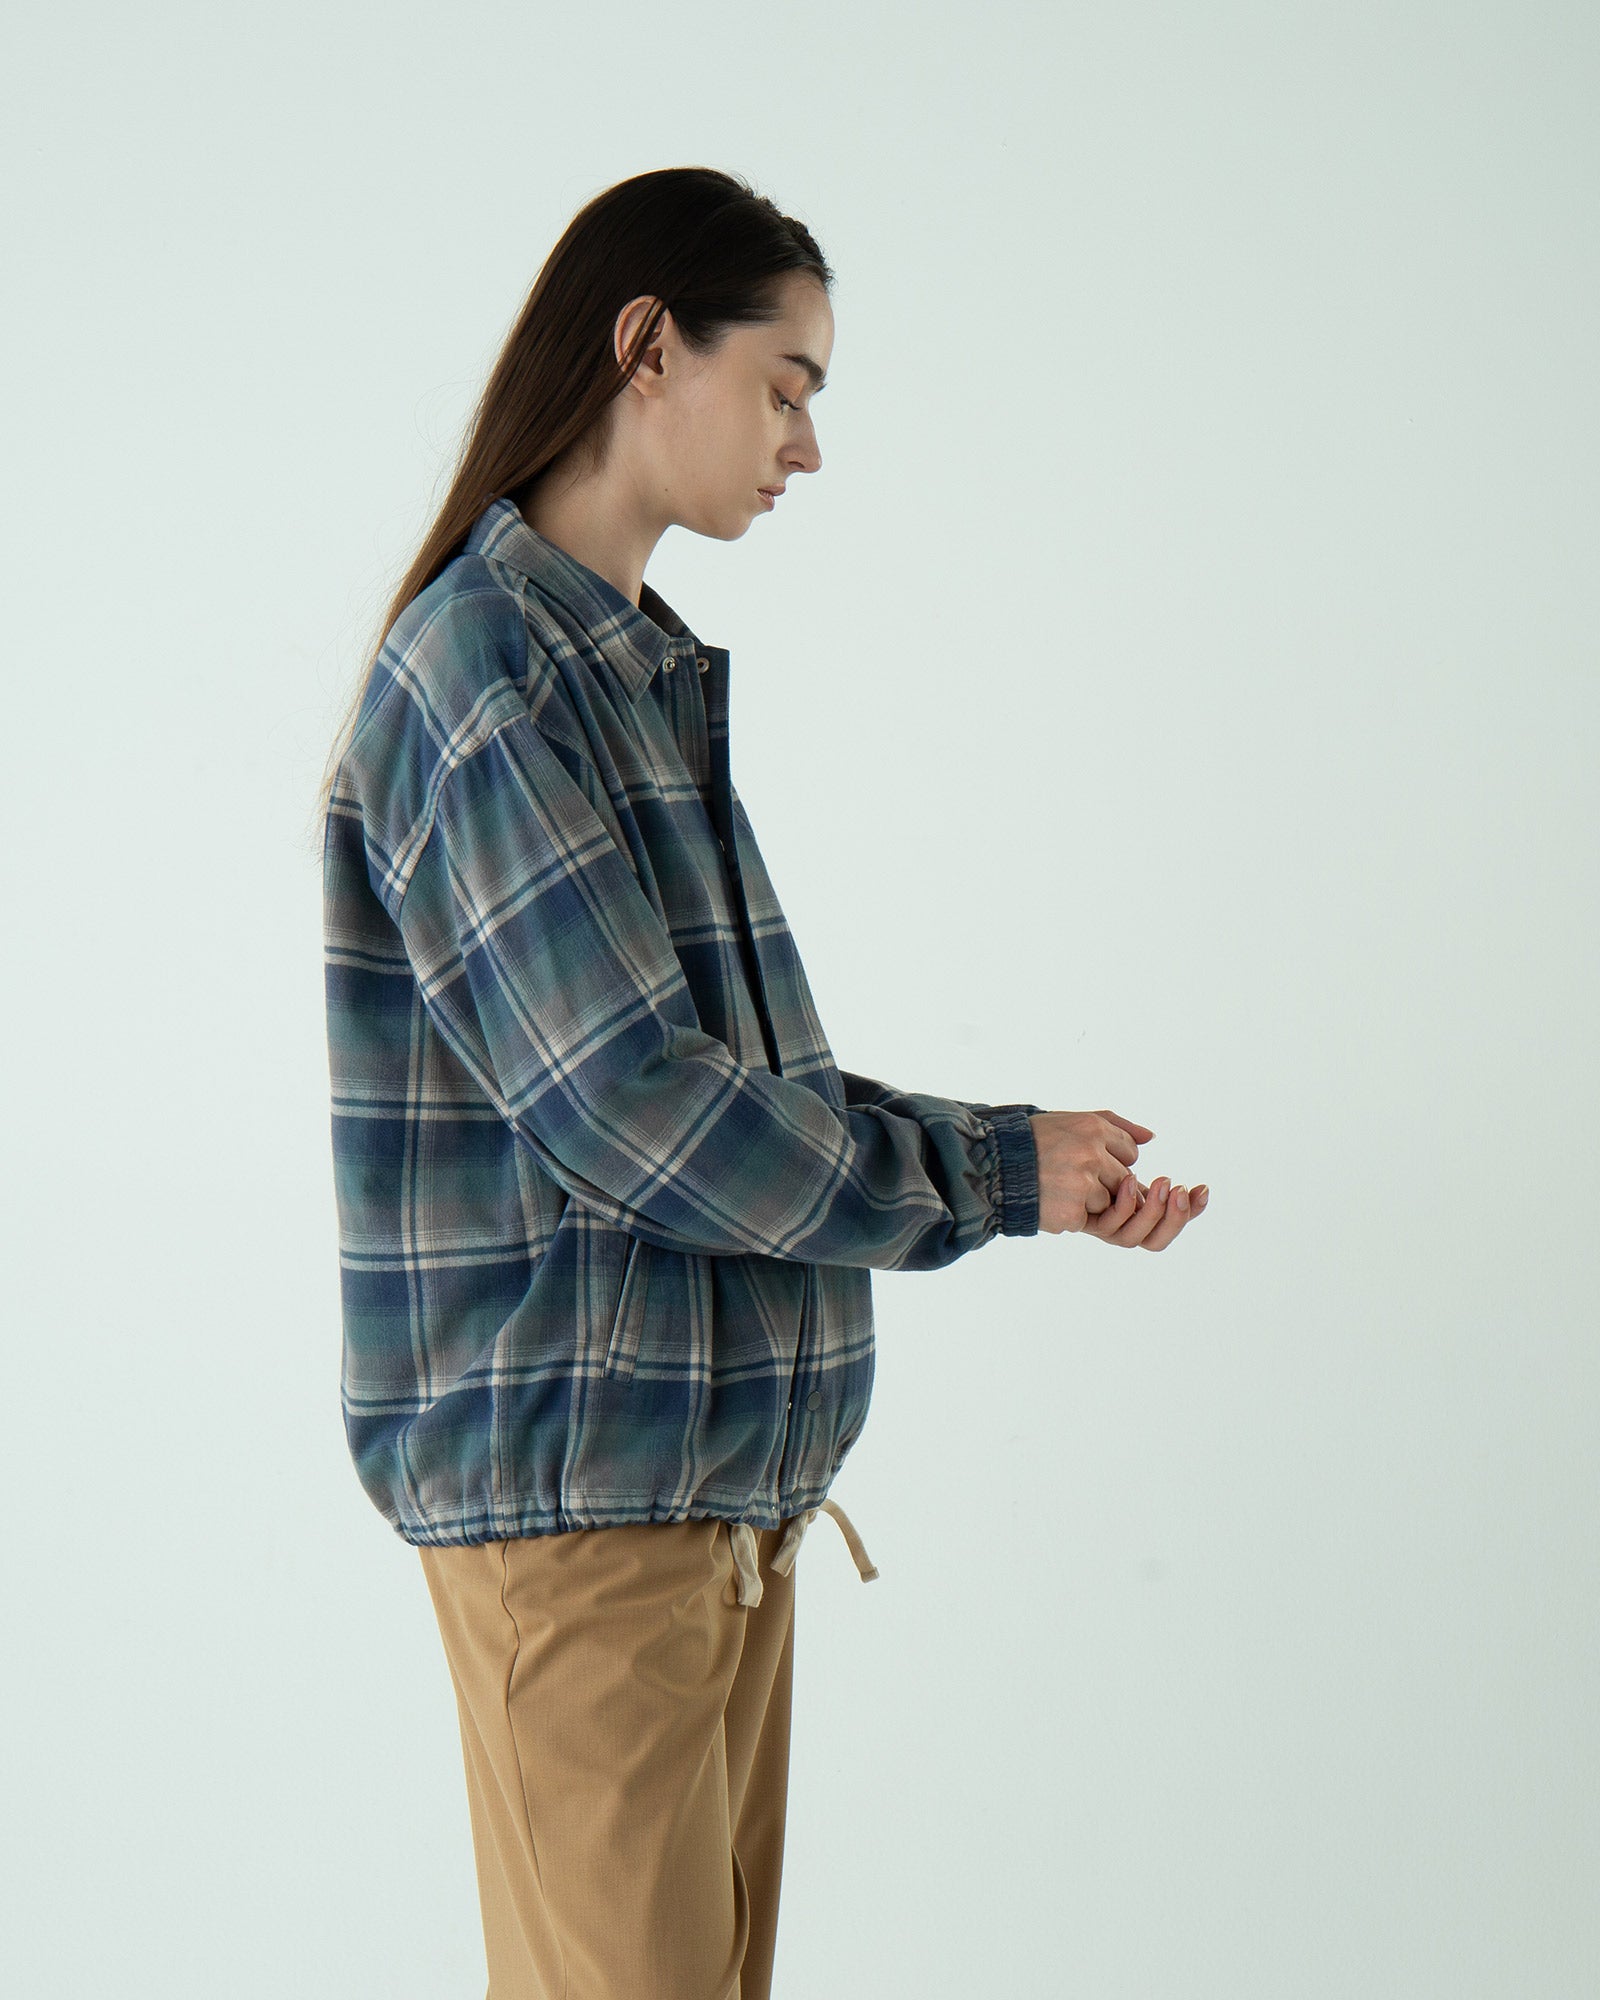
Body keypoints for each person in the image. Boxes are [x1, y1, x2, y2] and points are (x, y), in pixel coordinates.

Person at [318, 164, 1208, 2000]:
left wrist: (1018, 1157)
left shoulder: (616, 671)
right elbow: (637, 1111)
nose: (807, 445)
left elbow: (724, 1085)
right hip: (590, 1531)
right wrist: (988, 1177)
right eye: (787, 385)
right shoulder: (489, 671)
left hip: (703, 1518)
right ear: (650, 347)